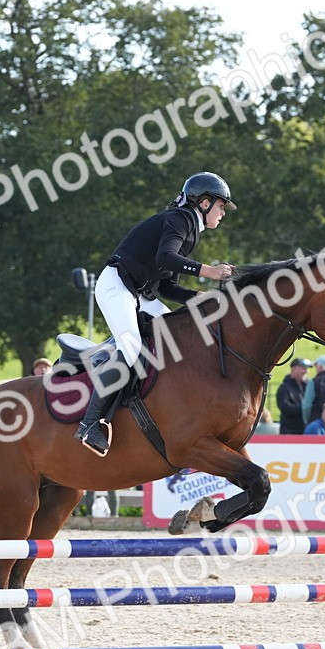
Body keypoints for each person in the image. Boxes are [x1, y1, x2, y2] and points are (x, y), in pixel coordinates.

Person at [75, 172, 237, 456]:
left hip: (141, 293)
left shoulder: (190, 228)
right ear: (205, 202)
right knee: (134, 349)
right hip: (116, 287)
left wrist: (198, 297)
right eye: (221, 206)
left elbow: (167, 286)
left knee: (173, 336)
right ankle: (90, 424)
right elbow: (165, 258)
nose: (223, 213)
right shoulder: (181, 218)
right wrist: (207, 272)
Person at [275, 357, 312, 434]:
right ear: (294, 369)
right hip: (290, 432)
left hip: (305, 431)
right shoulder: (284, 388)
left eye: (306, 369)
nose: (305, 372)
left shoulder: (308, 386)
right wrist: (304, 408)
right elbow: (285, 407)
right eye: (303, 368)